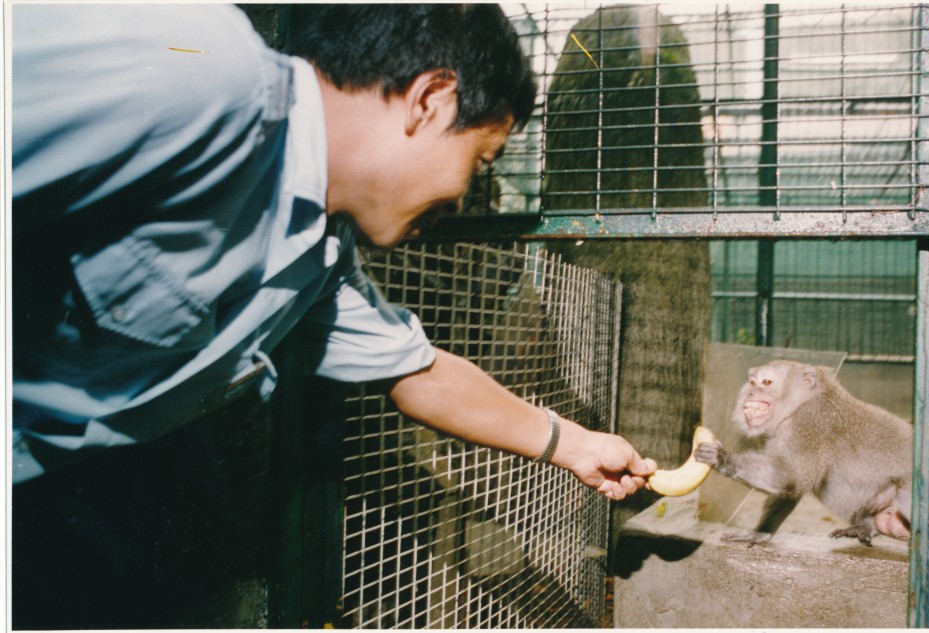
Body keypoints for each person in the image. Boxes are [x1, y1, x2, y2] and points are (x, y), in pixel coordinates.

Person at [11, 4, 656, 627]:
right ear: (430, 99)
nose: (462, 198)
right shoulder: (203, 70)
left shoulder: (315, 258)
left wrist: (576, 446)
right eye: (480, 162)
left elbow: (418, 371)